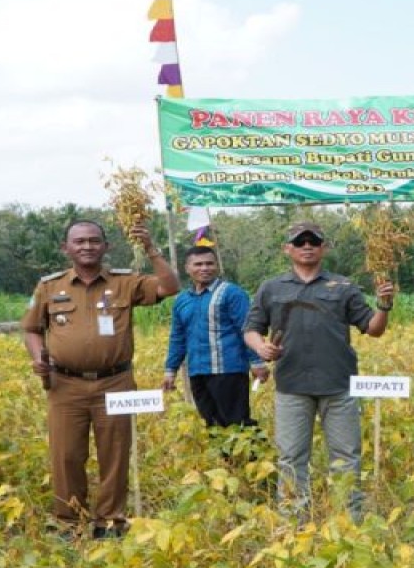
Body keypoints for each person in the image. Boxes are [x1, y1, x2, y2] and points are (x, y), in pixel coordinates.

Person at [22, 220, 179, 539]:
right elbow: (31, 329)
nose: (87, 246)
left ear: (106, 246)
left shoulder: (126, 282)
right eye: (79, 241)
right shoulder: (49, 287)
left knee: (115, 453)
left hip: (115, 382)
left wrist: (151, 249)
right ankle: (69, 522)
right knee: (66, 455)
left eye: (94, 241)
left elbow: (169, 287)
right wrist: (39, 357)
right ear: (66, 248)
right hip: (65, 385)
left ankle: (109, 520)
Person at [243, 221, 395, 521]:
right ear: (287, 249)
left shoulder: (344, 287)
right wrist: (261, 348)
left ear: (324, 248)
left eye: (314, 241)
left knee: (346, 457)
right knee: (291, 458)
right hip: (291, 386)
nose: (307, 246)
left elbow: (373, 329)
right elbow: (251, 329)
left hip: (338, 384)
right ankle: (293, 522)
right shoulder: (271, 288)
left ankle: (349, 521)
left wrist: (384, 306)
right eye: (299, 242)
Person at [162, 246, 269, 442]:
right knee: (211, 424)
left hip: (229, 370)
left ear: (217, 266)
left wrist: (257, 362)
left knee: (237, 423)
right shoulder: (182, 300)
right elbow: (178, 337)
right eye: (198, 264)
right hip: (198, 372)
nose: (204, 268)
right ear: (187, 268)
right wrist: (170, 370)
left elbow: (247, 329)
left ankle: (254, 460)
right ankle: (224, 460)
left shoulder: (231, 293)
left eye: (209, 264)